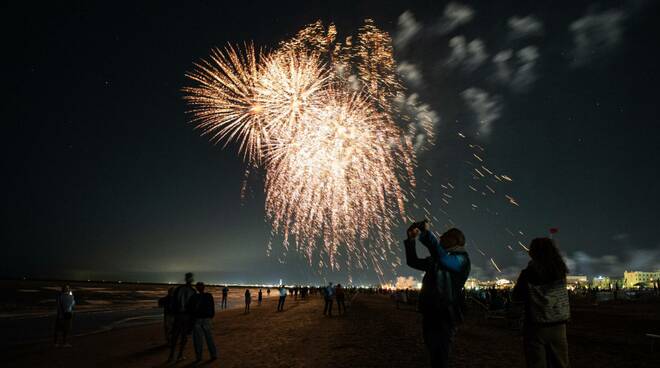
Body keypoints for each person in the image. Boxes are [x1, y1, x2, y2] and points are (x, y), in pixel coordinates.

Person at [404, 221, 470, 368]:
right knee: (433, 352)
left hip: (445, 313)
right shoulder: (440, 259)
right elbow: (413, 262)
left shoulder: (461, 259)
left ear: (456, 240)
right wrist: (411, 240)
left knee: (440, 354)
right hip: (431, 311)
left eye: (444, 236)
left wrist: (427, 235)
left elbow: (443, 259)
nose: (440, 239)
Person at [512, 238, 570, 368]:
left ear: (533, 253)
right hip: (559, 324)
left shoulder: (528, 273)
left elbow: (516, 296)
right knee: (560, 363)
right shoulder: (560, 272)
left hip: (535, 325)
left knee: (536, 363)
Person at [168, 272, 197, 362]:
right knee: (183, 336)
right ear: (191, 280)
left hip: (179, 315)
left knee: (175, 336)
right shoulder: (193, 291)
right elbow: (194, 306)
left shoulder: (179, 289)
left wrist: (173, 314)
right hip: (186, 316)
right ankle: (179, 355)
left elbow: (173, 303)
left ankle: (172, 355)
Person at [189, 282, 218, 363]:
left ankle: (199, 357)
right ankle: (213, 354)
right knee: (209, 338)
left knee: (198, 340)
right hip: (206, 319)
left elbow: (190, 309)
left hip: (198, 319)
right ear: (204, 288)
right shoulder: (209, 296)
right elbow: (212, 307)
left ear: (196, 288)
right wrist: (211, 315)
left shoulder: (194, 297)